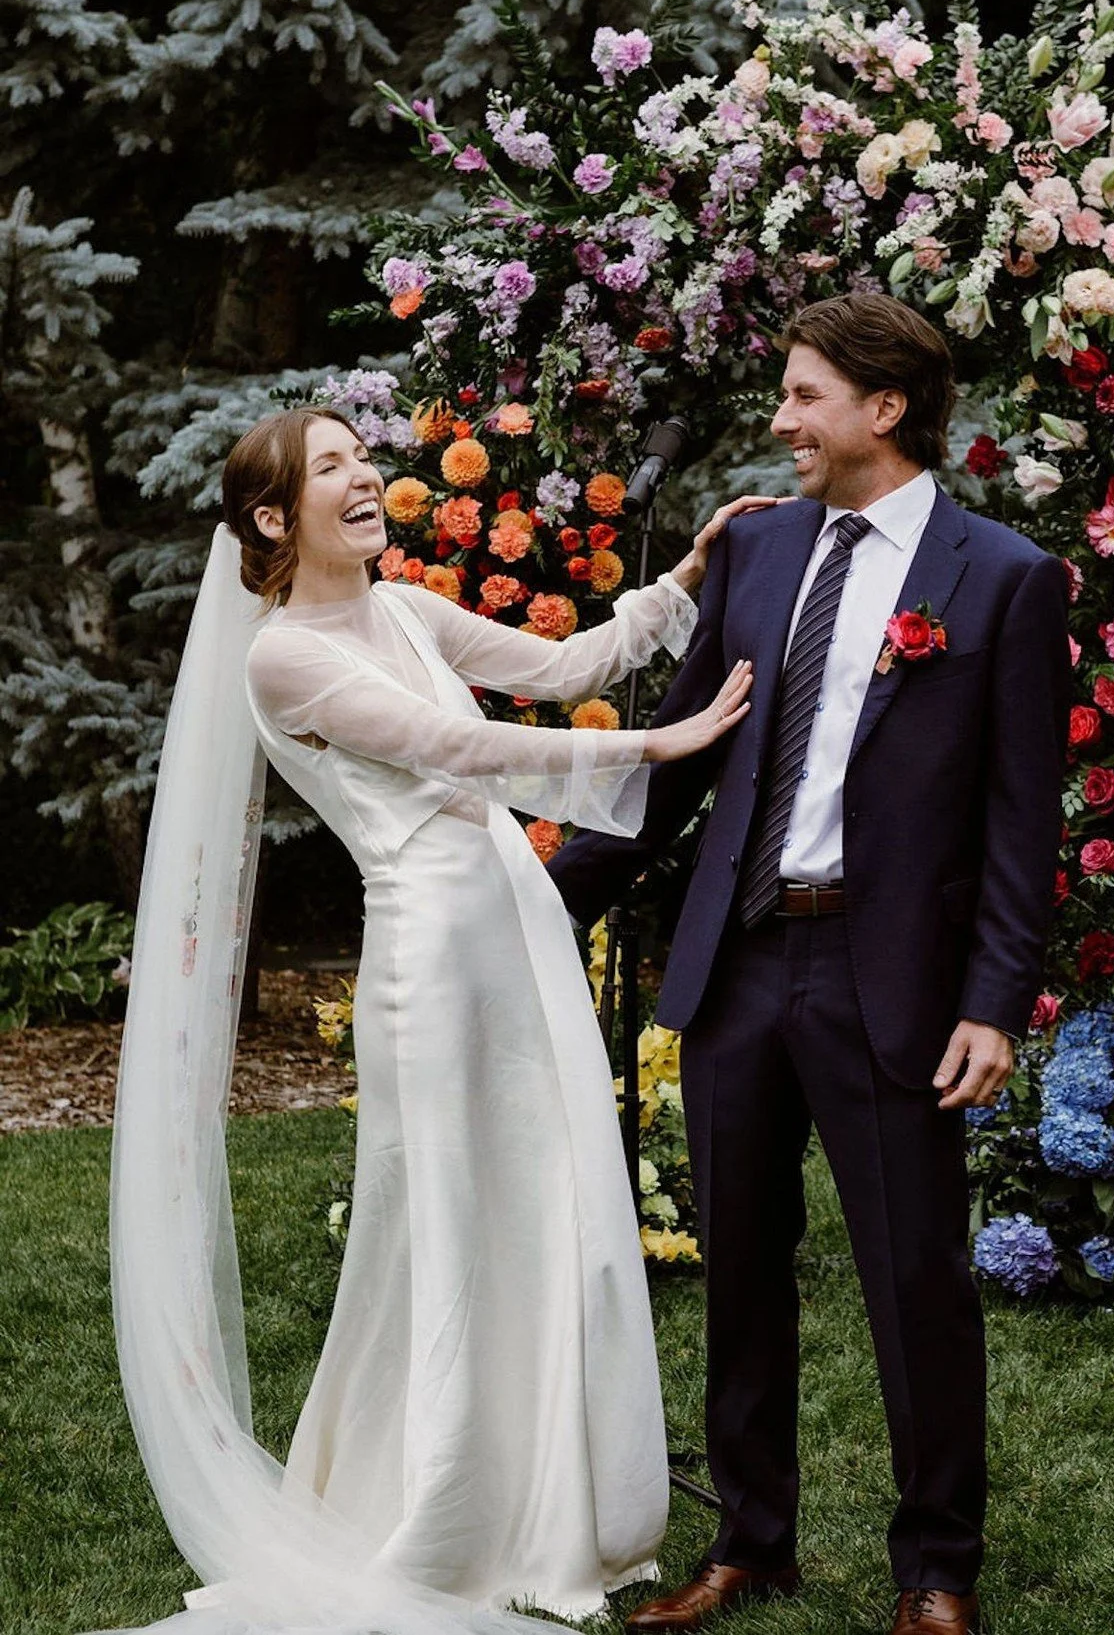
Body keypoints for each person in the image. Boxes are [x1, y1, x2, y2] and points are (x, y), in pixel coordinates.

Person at [104, 403, 771, 1635]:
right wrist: (663, 743)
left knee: (548, 1198)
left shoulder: (405, 610)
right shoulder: (281, 658)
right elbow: (452, 744)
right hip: (432, 957)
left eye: (365, 456)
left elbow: (562, 668)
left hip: (513, 928)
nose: (366, 476)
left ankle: (548, 1500)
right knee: (452, 1225)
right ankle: (443, 1511)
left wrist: (685, 573)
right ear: (273, 519)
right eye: (332, 467)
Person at [549, 293, 1071, 1635]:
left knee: (913, 1276)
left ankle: (935, 1569)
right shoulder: (757, 549)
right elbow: (676, 761)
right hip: (738, 959)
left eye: (802, 395)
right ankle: (750, 1542)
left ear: (880, 409)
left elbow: (1021, 818)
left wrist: (992, 1003)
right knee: (738, 1262)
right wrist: (539, 905)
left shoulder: (1000, 576)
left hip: (885, 973)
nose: (780, 419)